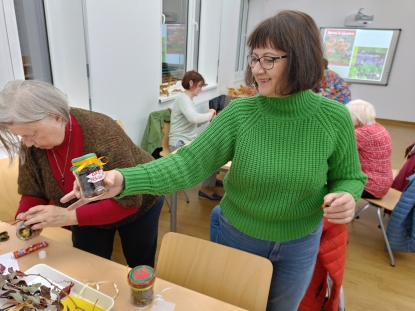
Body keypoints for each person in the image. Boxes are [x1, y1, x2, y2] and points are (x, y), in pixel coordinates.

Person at [63, 11, 366, 311]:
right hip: (240, 235)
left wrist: (348, 195)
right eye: (254, 58)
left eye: (269, 59)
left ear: (300, 59)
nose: (258, 69)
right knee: (231, 305)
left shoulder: (334, 118)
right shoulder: (240, 114)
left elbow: (350, 176)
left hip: (301, 242)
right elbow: (187, 163)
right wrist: (124, 179)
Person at [0, 79, 164, 268]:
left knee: (139, 264)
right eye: (22, 136)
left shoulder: (102, 131)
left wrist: (67, 217)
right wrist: (26, 218)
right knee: (88, 265)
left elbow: (128, 203)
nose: (28, 143)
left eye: (33, 134)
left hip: (139, 206)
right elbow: (32, 190)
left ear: (56, 117)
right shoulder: (32, 146)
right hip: (81, 213)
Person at [169, 70, 222, 200]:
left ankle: (211, 182)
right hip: (179, 144)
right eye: (199, 86)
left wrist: (207, 117)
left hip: (187, 141)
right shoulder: (183, 99)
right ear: (191, 83)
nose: (201, 89)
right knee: (210, 156)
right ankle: (205, 188)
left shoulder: (188, 100)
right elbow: (193, 119)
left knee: (214, 150)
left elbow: (193, 123)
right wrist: (209, 114)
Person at [346, 100, 393, 198]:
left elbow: (337, 153)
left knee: (329, 183)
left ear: (357, 120)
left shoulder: (360, 134)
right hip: (383, 183)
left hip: (370, 186)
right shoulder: (378, 127)